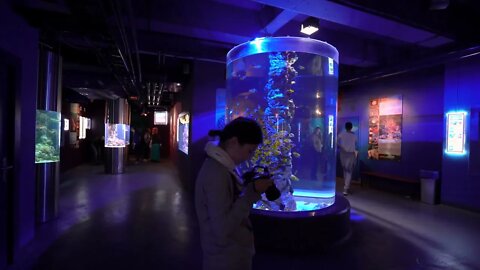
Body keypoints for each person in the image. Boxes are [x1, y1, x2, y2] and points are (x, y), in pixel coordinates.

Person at [195, 117, 273, 270]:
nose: (249, 157)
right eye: (249, 151)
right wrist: (252, 193)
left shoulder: (224, 166)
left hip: (230, 255)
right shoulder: (217, 173)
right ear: (233, 142)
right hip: (225, 260)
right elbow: (222, 230)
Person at [338, 122, 358, 196]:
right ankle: (346, 189)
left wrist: (341, 147)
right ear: (351, 127)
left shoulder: (342, 134)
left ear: (345, 127)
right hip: (350, 154)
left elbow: (335, 141)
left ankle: (346, 186)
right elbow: (356, 143)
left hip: (343, 153)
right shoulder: (354, 136)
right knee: (349, 171)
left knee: (345, 170)